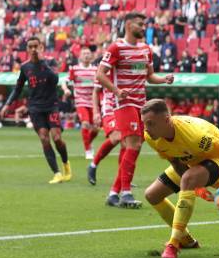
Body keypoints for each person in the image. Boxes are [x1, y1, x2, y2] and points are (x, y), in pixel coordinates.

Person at [141, 99, 219, 258]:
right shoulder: (151, 137)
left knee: (188, 178)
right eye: (144, 123)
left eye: (150, 123)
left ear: (166, 120)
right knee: (152, 195)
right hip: (192, 160)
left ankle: (173, 244)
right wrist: (197, 188)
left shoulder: (195, 136)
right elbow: (175, 162)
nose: (146, 128)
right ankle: (186, 240)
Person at [96, 12, 175, 208]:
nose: (143, 27)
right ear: (129, 25)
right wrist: (117, 90)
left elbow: (150, 76)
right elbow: (100, 74)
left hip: (142, 104)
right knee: (135, 144)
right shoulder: (116, 47)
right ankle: (126, 193)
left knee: (129, 148)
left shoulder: (146, 49)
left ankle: (114, 193)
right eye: (140, 24)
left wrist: (163, 79)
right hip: (123, 103)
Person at [0, 37, 72, 184]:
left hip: (51, 106)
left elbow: (55, 79)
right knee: (44, 139)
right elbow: (18, 87)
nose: (33, 49)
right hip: (35, 108)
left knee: (57, 139)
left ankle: (66, 165)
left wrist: (43, 62)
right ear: (27, 49)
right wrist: (8, 103)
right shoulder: (25, 67)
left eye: (36, 46)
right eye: (30, 47)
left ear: (41, 47)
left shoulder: (50, 62)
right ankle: (57, 173)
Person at [62, 47, 99, 159]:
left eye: (88, 53)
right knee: (85, 123)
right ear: (80, 56)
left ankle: (88, 142)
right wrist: (66, 89)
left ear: (92, 56)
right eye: (84, 54)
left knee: (96, 128)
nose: (87, 55)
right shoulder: (75, 69)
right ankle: (88, 150)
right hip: (81, 101)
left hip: (93, 101)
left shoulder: (95, 70)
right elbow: (65, 80)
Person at [87, 79, 121, 186]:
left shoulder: (127, 65)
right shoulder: (105, 66)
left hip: (125, 107)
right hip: (109, 108)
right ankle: (93, 165)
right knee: (116, 137)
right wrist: (96, 112)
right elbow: (96, 91)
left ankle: (122, 178)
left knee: (127, 142)